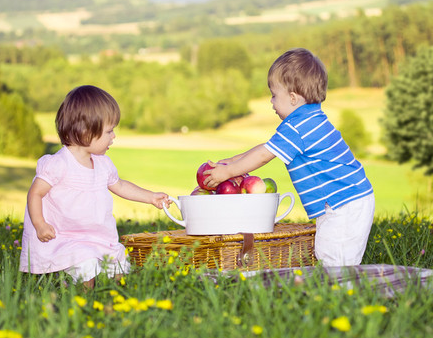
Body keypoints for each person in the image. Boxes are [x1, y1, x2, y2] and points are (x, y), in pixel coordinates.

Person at [203, 48, 375, 267]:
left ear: (293, 98)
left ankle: (341, 294)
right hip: (347, 198)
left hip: (344, 202)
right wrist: (232, 162)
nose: (271, 102)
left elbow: (265, 155)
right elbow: (266, 147)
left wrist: (228, 172)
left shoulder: (298, 126)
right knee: (331, 253)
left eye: (274, 95)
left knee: (335, 258)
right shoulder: (309, 118)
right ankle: (338, 291)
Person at [19, 85, 170, 289]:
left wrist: (150, 197)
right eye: (109, 131)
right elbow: (35, 193)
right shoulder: (59, 164)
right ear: (85, 132)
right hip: (65, 235)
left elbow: (121, 185)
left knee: (118, 262)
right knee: (85, 259)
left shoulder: (102, 163)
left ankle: (118, 294)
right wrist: (40, 224)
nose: (113, 136)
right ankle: (85, 300)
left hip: (96, 233)